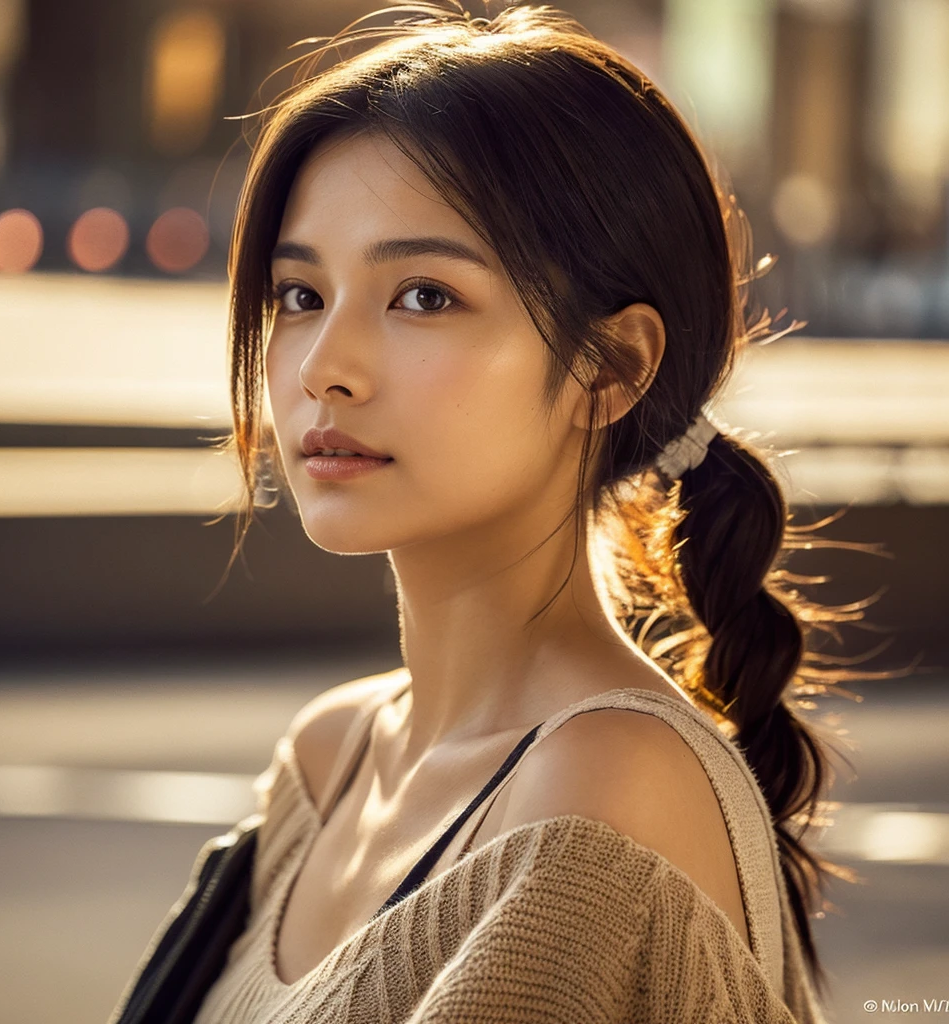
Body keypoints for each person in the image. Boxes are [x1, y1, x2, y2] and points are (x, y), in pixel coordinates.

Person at [111, 3, 859, 1021]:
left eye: (423, 295)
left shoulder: (603, 791)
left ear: (614, 365)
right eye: (299, 294)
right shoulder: (331, 756)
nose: (325, 367)